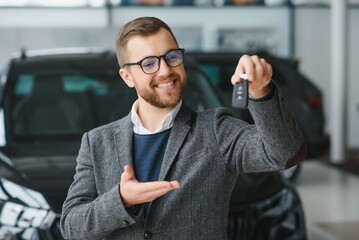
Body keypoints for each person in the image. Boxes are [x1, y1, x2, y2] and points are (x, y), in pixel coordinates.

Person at [60, 16, 306, 240]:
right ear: (127, 77)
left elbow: (284, 153)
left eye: (172, 57)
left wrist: (261, 93)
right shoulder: (96, 143)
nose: (166, 70)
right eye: (148, 63)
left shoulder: (216, 130)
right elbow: (71, 227)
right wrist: (121, 200)